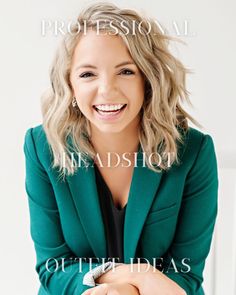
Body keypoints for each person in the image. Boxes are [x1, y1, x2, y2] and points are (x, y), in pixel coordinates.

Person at [23, 2, 218, 295]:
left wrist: (128, 291)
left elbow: (186, 276)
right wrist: (129, 282)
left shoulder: (193, 151)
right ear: (70, 85)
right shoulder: (42, 147)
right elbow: (53, 266)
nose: (107, 90)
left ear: (148, 80)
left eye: (126, 71)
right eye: (88, 74)